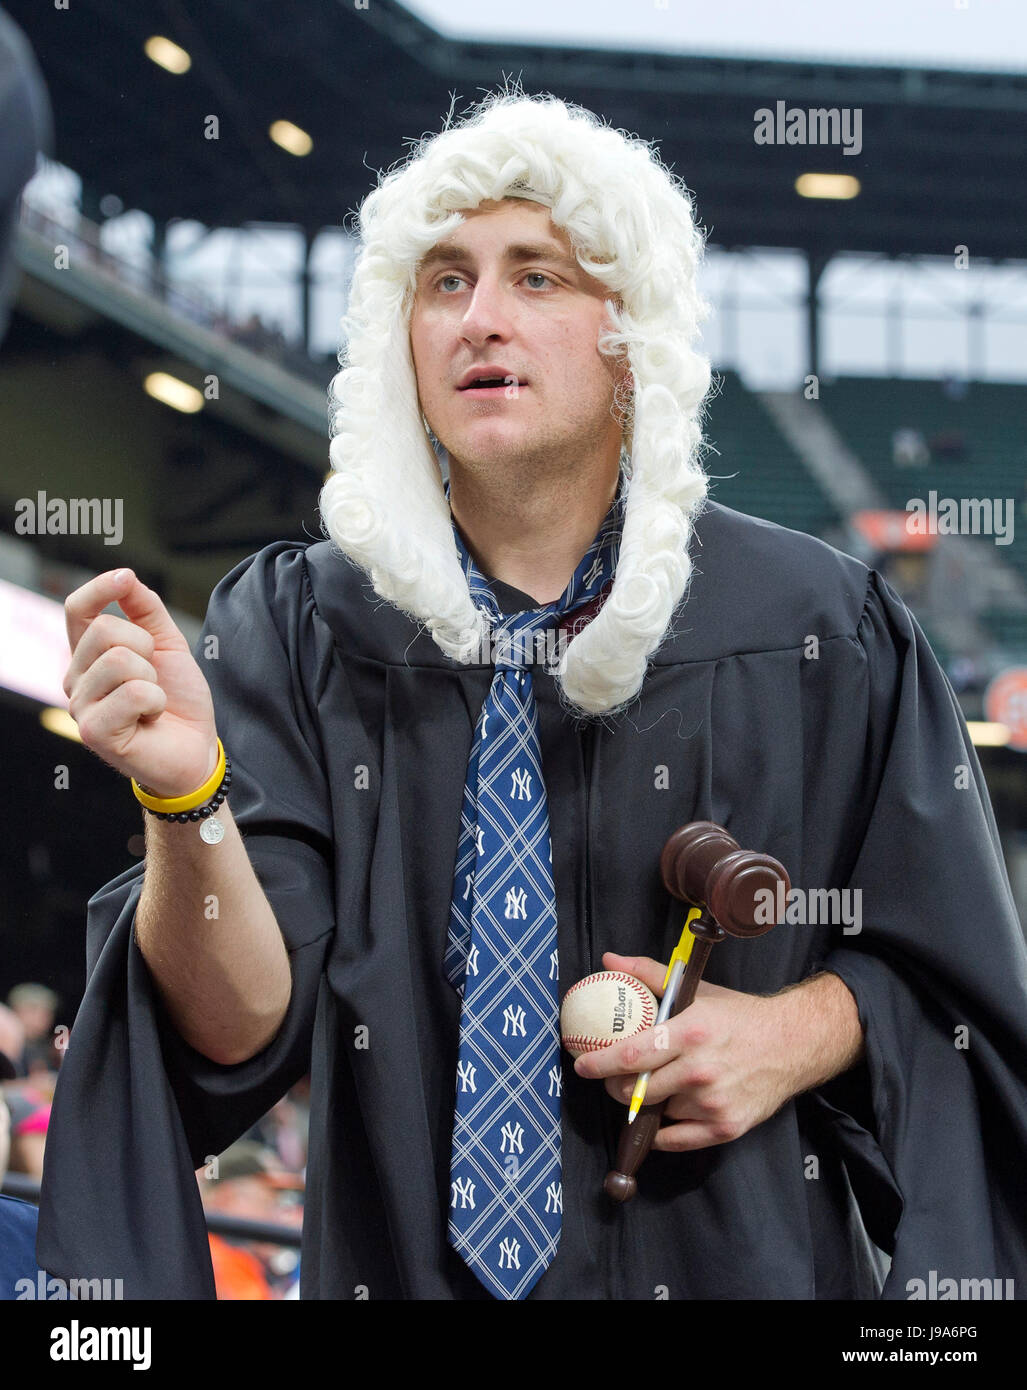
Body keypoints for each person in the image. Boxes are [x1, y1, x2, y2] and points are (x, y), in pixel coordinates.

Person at [40, 90, 1027, 1300]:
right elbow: (234, 1025)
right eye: (443, 280)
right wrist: (185, 793)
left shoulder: (822, 631)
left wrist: (797, 1032)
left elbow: (962, 991)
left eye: (538, 279)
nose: (478, 319)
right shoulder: (302, 627)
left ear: (634, 338)